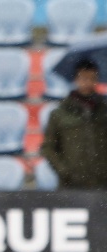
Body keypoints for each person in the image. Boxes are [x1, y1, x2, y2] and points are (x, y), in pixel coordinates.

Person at [41, 58, 107, 189]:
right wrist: (64, 170)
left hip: (103, 183)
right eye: (84, 78)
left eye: (92, 78)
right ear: (76, 79)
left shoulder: (104, 111)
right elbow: (48, 147)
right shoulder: (60, 114)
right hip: (71, 184)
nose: (88, 82)